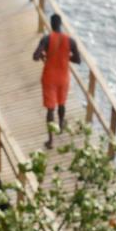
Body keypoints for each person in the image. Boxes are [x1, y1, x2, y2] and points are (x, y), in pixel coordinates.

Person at [33, 12, 81, 140]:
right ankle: (60, 126)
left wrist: (44, 55)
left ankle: (50, 139)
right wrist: (66, 57)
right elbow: (78, 60)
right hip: (63, 77)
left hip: (49, 77)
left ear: (51, 24)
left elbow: (35, 56)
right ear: (61, 24)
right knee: (61, 103)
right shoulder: (70, 41)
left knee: (50, 108)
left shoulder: (46, 39)